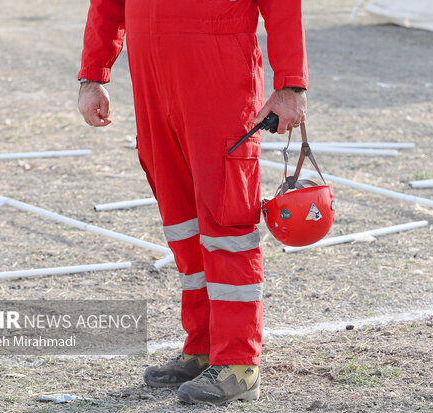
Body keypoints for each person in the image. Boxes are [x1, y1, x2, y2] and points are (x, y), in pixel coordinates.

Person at [78, 0, 308, 405]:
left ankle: (238, 362)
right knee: (182, 222)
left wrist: (290, 84)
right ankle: (203, 347)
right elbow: (107, 5)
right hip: (154, 83)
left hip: (219, 75)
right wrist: (93, 75)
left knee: (226, 221)